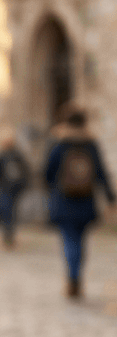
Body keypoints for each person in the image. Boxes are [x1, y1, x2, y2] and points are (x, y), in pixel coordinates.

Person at [45, 107, 115, 298]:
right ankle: (76, 275)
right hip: (85, 199)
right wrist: (110, 197)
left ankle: (72, 276)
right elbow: (101, 172)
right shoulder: (90, 145)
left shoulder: (59, 144)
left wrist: (52, 189)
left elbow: (48, 172)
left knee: (69, 239)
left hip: (65, 199)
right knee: (80, 241)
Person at [0, 130, 31, 248]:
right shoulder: (1, 156)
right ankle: (7, 235)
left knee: (12, 212)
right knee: (6, 211)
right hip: (4, 188)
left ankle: (9, 234)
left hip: (15, 188)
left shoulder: (17, 155)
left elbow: (25, 171)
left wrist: (23, 184)